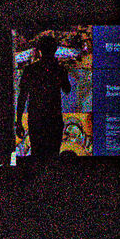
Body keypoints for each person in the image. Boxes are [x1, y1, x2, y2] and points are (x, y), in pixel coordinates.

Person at [15, 31, 72, 166]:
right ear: (55, 50)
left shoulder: (30, 70)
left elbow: (22, 97)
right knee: (53, 158)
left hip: (36, 120)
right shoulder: (59, 70)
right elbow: (67, 90)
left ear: (39, 50)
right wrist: (62, 72)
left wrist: (18, 122)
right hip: (54, 119)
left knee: (37, 158)